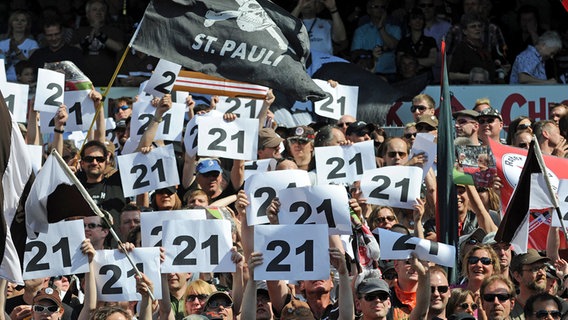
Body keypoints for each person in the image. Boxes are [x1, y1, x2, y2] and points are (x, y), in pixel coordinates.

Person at [70, 0, 125, 86]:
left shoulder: (114, 31)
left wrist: (100, 35)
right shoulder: (79, 31)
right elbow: (71, 51)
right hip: (83, 81)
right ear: (87, 14)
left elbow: (120, 48)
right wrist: (87, 41)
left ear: (106, 13)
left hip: (109, 81)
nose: (99, 12)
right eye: (94, 9)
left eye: (102, 10)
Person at [351, 0, 401, 76]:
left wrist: (381, 27)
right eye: (376, 7)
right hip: (367, 73)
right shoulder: (360, 31)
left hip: (390, 74)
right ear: (368, 10)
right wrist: (372, 54)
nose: (380, 9)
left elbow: (393, 46)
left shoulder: (395, 29)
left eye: (382, 7)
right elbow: (355, 55)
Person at [449, 13, 496, 84]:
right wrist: (472, 77)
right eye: (473, 26)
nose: (477, 29)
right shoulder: (461, 48)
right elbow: (451, 75)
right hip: (468, 89)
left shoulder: (484, 48)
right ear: (465, 31)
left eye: (479, 26)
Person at [510, 249, 550, 319]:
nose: (541, 273)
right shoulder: (508, 310)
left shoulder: (554, 307)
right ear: (517, 276)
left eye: (543, 268)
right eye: (535, 269)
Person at [0, 10, 38, 82]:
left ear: (27, 24)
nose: (19, 23)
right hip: (5, 81)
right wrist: (9, 53)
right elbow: (1, 67)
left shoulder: (33, 44)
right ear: (11, 23)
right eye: (16, 20)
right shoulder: (1, 44)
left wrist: (16, 50)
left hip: (26, 83)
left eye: (23, 20)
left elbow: (31, 65)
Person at [396, 8, 437, 75]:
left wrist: (411, 63)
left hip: (426, 77)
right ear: (409, 22)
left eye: (420, 19)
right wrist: (422, 62)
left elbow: (432, 61)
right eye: (414, 18)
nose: (418, 21)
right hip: (407, 78)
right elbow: (400, 62)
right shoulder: (403, 42)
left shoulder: (430, 40)